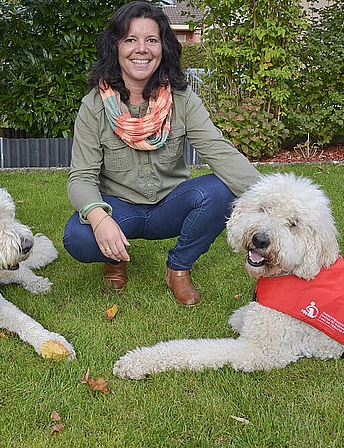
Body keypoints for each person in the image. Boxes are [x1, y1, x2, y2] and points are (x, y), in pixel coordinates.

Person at [63, 1, 261, 305]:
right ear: (115, 47)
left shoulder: (182, 100)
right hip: (120, 209)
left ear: (163, 48)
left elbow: (220, 153)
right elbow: (81, 177)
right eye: (130, 40)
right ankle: (115, 258)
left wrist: (273, 201)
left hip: (169, 206)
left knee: (221, 190)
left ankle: (178, 269)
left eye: (151, 40)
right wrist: (100, 219)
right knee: (78, 236)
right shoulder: (93, 105)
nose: (141, 49)